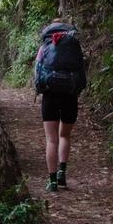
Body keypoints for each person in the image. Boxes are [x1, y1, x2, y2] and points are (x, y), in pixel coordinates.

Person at [33, 18, 86, 192]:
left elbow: (38, 71)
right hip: (70, 95)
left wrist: (40, 88)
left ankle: (52, 181)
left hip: (50, 95)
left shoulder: (45, 46)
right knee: (65, 136)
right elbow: (81, 70)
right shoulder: (73, 45)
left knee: (51, 139)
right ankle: (62, 172)